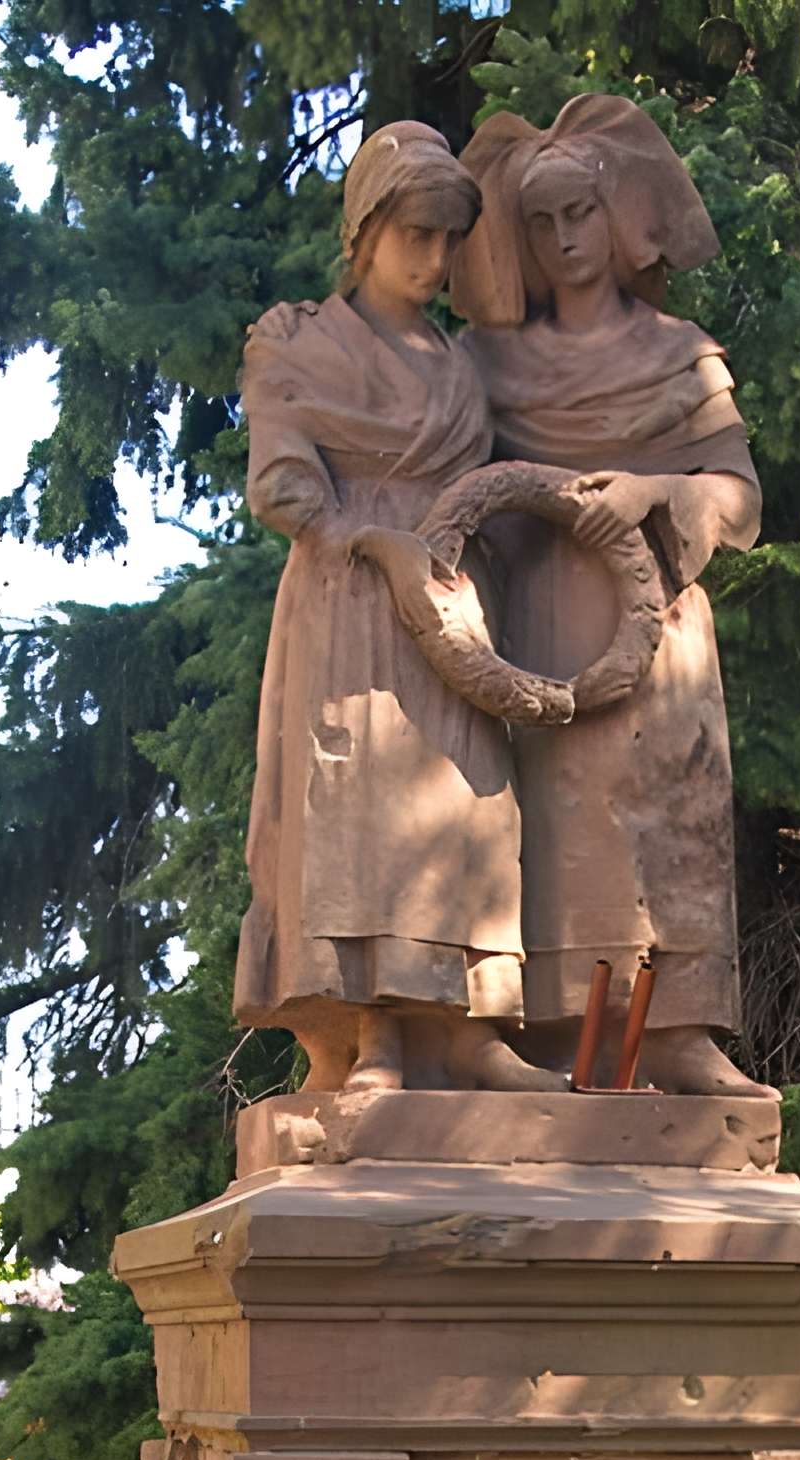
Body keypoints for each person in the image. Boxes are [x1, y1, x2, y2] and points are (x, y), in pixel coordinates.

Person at [453, 95, 774, 1097]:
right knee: (557, 838)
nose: (561, 242)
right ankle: (556, 1053)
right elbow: (452, 491)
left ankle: (675, 1037)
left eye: (577, 217)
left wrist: (654, 492)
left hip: (663, 630)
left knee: (668, 827)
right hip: (537, 625)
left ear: (614, 215)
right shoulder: (487, 363)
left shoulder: (681, 353)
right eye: (540, 225)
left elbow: (739, 496)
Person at [234, 121, 554, 1094]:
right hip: (351, 601)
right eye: (412, 231)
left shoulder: (462, 367)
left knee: (468, 800)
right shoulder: (301, 344)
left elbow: (494, 488)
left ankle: (469, 1029)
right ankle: (376, 1031)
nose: (430, 256)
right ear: (365, 229)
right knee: (362, 806)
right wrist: (375, 542)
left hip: (455, 609)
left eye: (446, 237)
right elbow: (281, 485)